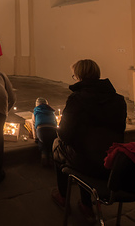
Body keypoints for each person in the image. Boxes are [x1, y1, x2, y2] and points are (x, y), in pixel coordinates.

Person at [51, 59, 127, 222]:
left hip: (87, 163)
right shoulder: (119, 100)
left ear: (78, 76)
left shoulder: (77, 99)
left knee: (58, 145)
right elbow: (120, 130)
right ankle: (86, 204)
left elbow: (64, 133)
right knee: (87, 149)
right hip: (113, 162)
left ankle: (63, 195)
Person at [32, 97, 58, 167]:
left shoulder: (36, 112)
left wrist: (35, 137)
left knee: (42, 141)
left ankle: (44, 155)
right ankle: (51, 157)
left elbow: (34, 125)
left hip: (41, 130)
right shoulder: (52, 111)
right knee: (51, 143)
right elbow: (56, 123)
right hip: (53, 130)